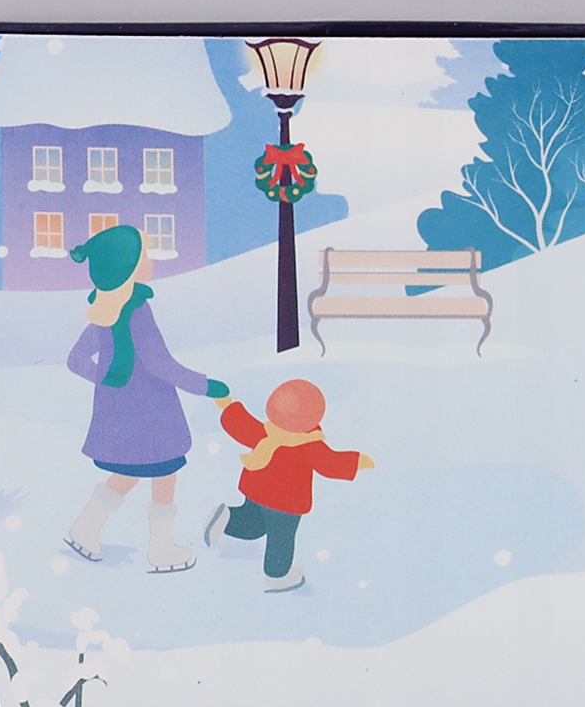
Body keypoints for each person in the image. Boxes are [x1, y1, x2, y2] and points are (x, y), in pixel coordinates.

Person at [64, 224, 227, 571]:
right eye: (145, 257)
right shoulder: (137, 310)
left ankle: (85, 529)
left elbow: (76, 360)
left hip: (122, 417)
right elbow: (160, 364)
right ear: (128, 268)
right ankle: (161, 549)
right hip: (152, 415)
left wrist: (110, 384)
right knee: (164, 475)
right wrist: (206, 385)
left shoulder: (105, 309)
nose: (150, 262)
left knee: (129, 473)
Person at [203, 379, 373, 592]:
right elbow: (330, 463)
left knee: (254, 525)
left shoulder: (266, 431)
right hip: (285, 503)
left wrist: (227, 404)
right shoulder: (310, 444)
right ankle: (278, 575)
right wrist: (357, 462)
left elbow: (241, 425)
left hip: (255, 489)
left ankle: (228, 518)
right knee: (280, 538)